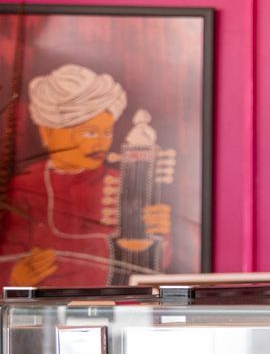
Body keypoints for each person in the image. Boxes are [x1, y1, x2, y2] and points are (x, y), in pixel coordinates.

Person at [2, 63, 172, 288]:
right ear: (47, 132)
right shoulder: (24, 187)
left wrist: (159, 237)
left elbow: (149, 268)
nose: (101, 142)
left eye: (107, 132)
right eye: (89, 132)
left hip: (112, 310)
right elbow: (9, 257)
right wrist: (17, 277)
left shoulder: (127, 184)